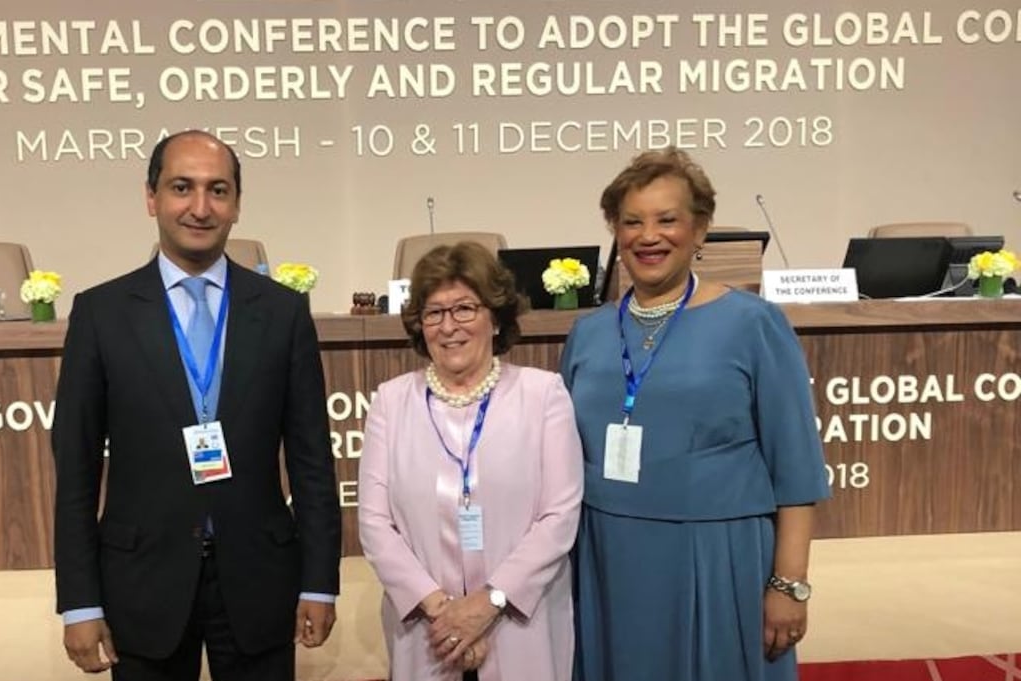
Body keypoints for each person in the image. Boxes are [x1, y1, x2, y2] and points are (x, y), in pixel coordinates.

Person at [52, 130, 342, 681]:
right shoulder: (101, 314)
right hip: (141, 578)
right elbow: (75, 471)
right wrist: (80, 602)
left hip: (260, 575)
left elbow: (311, 462)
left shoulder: (282, 313)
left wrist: (319, 580)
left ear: (237, 202)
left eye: (218, 190)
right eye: (182, 187)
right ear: (151, 197)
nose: (200, 207)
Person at [562, 147, 831, 681]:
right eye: (632, 221)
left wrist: (789, 583)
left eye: (668, 220)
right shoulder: (588, 333)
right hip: (607, 558)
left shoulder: (753, 324)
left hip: (717, 557)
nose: (649, 236)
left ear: (701, 229)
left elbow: (796, 468)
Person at [359, 241, 583, 681]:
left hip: (521, 621)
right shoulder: (391, 401)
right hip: (429, 629)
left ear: (495, 318)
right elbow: (374, 522)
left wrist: (488, 604)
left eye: (464, 308)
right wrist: (445, 613)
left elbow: (560, 516)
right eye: (434, 313)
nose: (449, 326)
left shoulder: (543, 395)